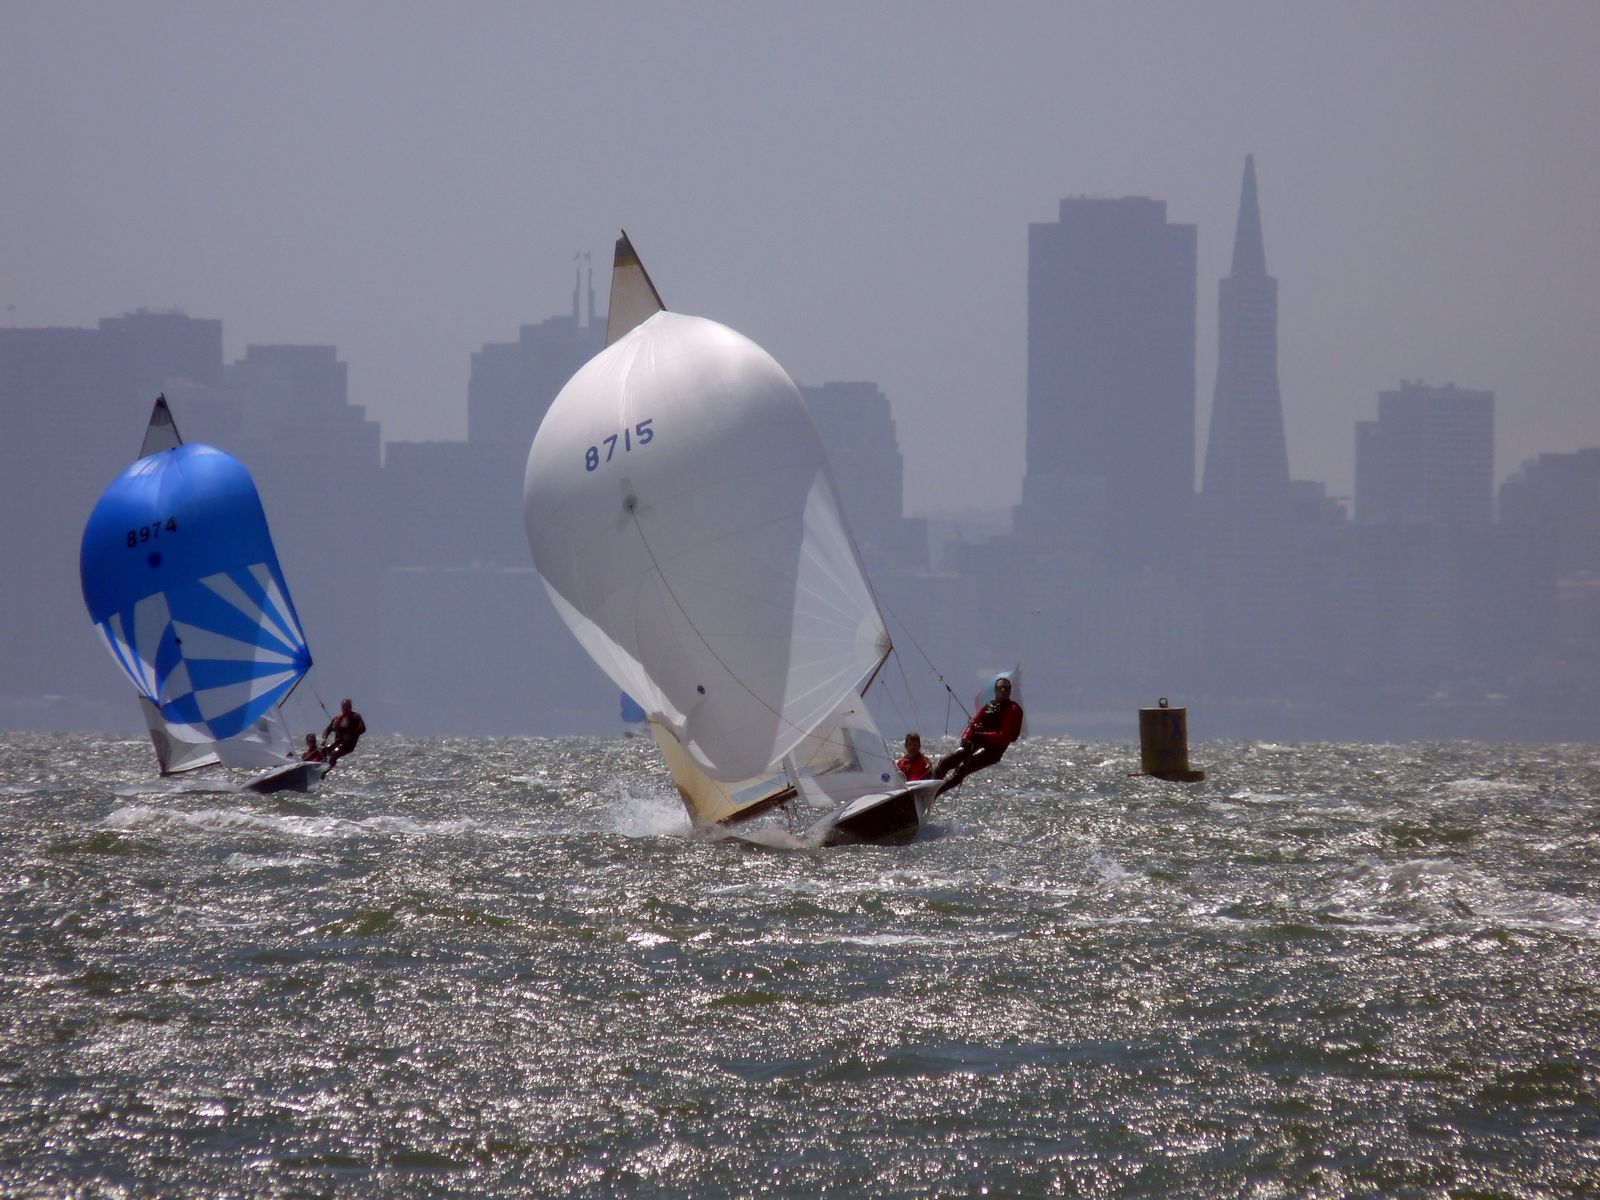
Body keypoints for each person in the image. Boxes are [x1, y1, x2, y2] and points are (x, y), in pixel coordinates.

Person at [934, 676, 1023, 796]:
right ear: (995, 690)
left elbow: (1004, 736)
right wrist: (966, 737)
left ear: (1010, 691)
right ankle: (927, 785)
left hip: (993, 750)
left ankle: (937, 792)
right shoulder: (988, 706)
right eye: (1000, 688)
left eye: (1005, 688)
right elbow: (972, 723)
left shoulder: (1013, 709)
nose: (1003, 690)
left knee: (962, 768)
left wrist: (982, 735)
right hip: (978, 741)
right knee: (946, 762)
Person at [322, 698, 366, 767]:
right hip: (337, 743)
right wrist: (325, 738)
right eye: (343, 706)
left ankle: (326, 769)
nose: (345, 708)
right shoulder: (337, 718)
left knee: (334, 753)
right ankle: (320, 767)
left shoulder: (355, 717)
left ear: (350, 707)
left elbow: (362, 728)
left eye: (347, 706)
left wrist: (350, 735)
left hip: (348, 745)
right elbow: (328, 729)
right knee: (323, 751)